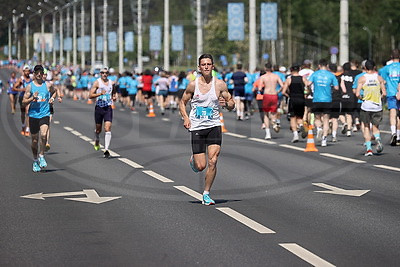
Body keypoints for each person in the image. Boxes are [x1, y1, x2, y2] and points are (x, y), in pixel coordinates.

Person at [179, 54, 235, 206]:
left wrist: (226, 103)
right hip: (197, 127)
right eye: (203, 64)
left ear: (212, 66)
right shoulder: (193, 85)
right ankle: (194, 161)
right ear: (199, 67)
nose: (206, 66)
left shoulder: (220, 85)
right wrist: (186, 118)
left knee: (213, 160)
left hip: (214, 126)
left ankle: (206, 193)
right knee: (201, 166)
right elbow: (182, 102)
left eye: (208, 64)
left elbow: (232, 104)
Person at [22, 65, 57, 172]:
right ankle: (35, 159)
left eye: (40, 72)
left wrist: (52, 98)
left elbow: (55, 92)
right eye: (36, 72)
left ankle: (41, 155)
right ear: (34, 74)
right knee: (34, 140)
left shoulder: (47, 85)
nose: (38, 74)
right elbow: (23, 103)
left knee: (43, 135)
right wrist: (32, 98)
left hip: (44, 114)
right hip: (33, 116)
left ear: (42, 74)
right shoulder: (30, 87)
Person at [306, 59, 339, 147]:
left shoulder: (315, 74)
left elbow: (308, 83)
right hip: (327, 99)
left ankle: (319, 128)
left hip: (316, 99)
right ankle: (324, 139)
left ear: (319, 65)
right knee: (326, 119)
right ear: (327, 65)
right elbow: (336, 87)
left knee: (317, 117)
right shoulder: (331, 75)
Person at [356, 60, 386, 156]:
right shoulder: (379, 78)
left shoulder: (362, 79)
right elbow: (384, 93)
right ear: (374, 67)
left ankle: (369, 149)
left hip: (366, 106)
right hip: (377, 106)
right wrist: (379, 98)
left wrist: (362, 98)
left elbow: (357, 94)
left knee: (366, 127)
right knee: (375, 127)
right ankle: (377, 139)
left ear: (365, 68)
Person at [88, 67, 117, 158]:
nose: (104, 74)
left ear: (108, 74)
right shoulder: (97, 82)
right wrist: (100, 94)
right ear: (100, 73)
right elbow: (90, 95)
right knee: (98, 129)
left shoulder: (112, 83)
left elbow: (114, 92)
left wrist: (114, 97)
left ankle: (106, 149)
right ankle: (97, 139)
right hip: (99, 108)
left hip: (108, 108)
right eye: (103, 73)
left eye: (106, 73)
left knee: (107, 128)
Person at [379, 49, 400, 145]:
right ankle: (399, 136)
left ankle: (393, 132)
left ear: (391, 57)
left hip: (391, 92)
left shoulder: (386, 68)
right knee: (399, 116)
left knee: (393, 113)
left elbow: (381, 79)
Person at [282, 65, 307, 142]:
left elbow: (283, 92)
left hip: (293, 99)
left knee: (293, 117)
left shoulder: (289, 79)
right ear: (299, 70)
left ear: (291, 70)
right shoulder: (303, 78)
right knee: (300, 116)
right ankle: (301, 125)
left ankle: (295, 135)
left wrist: (288, 95)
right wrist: (305, 94)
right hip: (301, 99)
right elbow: (307, 87)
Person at [259, 63, 284, 139]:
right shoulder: (276, 76)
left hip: (267, 95)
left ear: (265, 68)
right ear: (272, 68)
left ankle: (268, 133)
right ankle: (274, 122)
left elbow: (260, 88)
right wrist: (278, 91)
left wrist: (262, 90)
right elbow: (282, 86)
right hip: (274, 95)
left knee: (266, 114)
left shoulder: (263, 77)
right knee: (273, 112)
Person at [340, 61, 362, 137]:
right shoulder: (353, 77)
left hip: (343, 97)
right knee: (349, 114)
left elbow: (342, 87)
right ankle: (349, 130)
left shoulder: (341, 76)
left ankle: (344, 123)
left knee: (341, 113)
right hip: (351, 96)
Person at [13, 65, 33, 136]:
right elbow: (14, 88)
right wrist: (22, 89)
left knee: (28, 111)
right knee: (23, 113)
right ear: (23, 71)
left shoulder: (31, 79)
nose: (27, 72)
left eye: (28, 71)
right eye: (26, 71)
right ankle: (23, 126)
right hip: (22, 97)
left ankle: (28, 129)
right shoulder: (21, 79)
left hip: (29, 97)